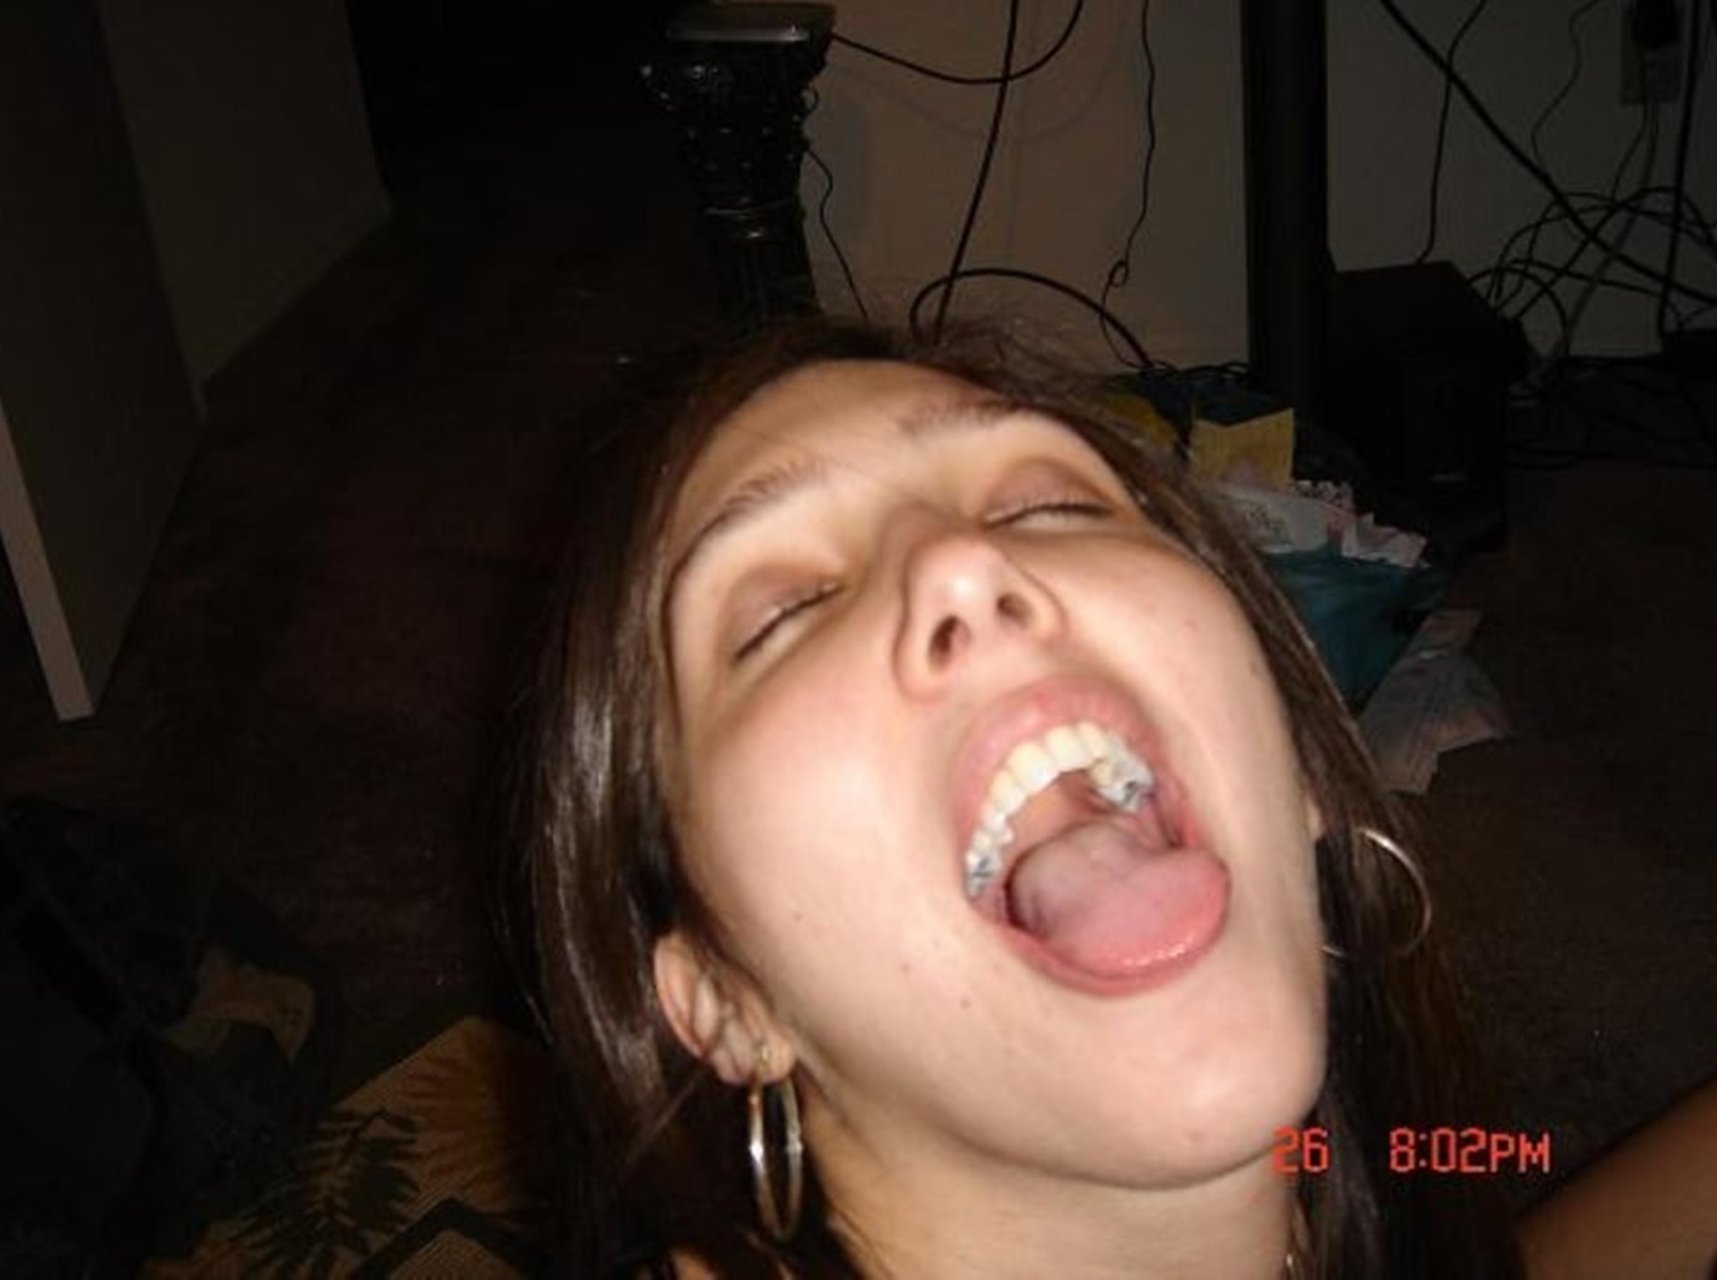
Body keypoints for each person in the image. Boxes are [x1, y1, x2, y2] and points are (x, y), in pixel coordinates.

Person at [509, 319, 1525, 1277]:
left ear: (1294, 761)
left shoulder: (1404, 1167)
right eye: (785, 611)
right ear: (725, 998)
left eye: (1047, 504)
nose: (961, 562)